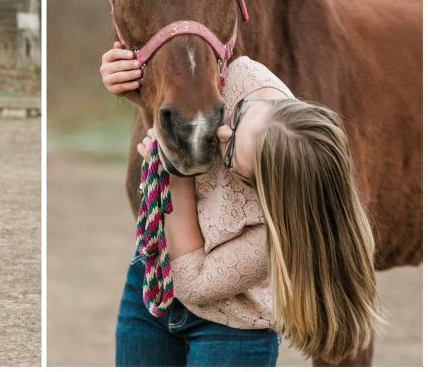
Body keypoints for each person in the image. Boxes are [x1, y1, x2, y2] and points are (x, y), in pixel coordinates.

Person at [100, 43, 381, 366]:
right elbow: (181, 98)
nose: (220, 131)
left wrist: (176, 173)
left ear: (262, 187)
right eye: (237, 115)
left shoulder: (274, 230)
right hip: (153, 282)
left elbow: (193, 282)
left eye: (231, 150)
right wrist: (133, 85)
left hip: (231, 330)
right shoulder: (243, 77)